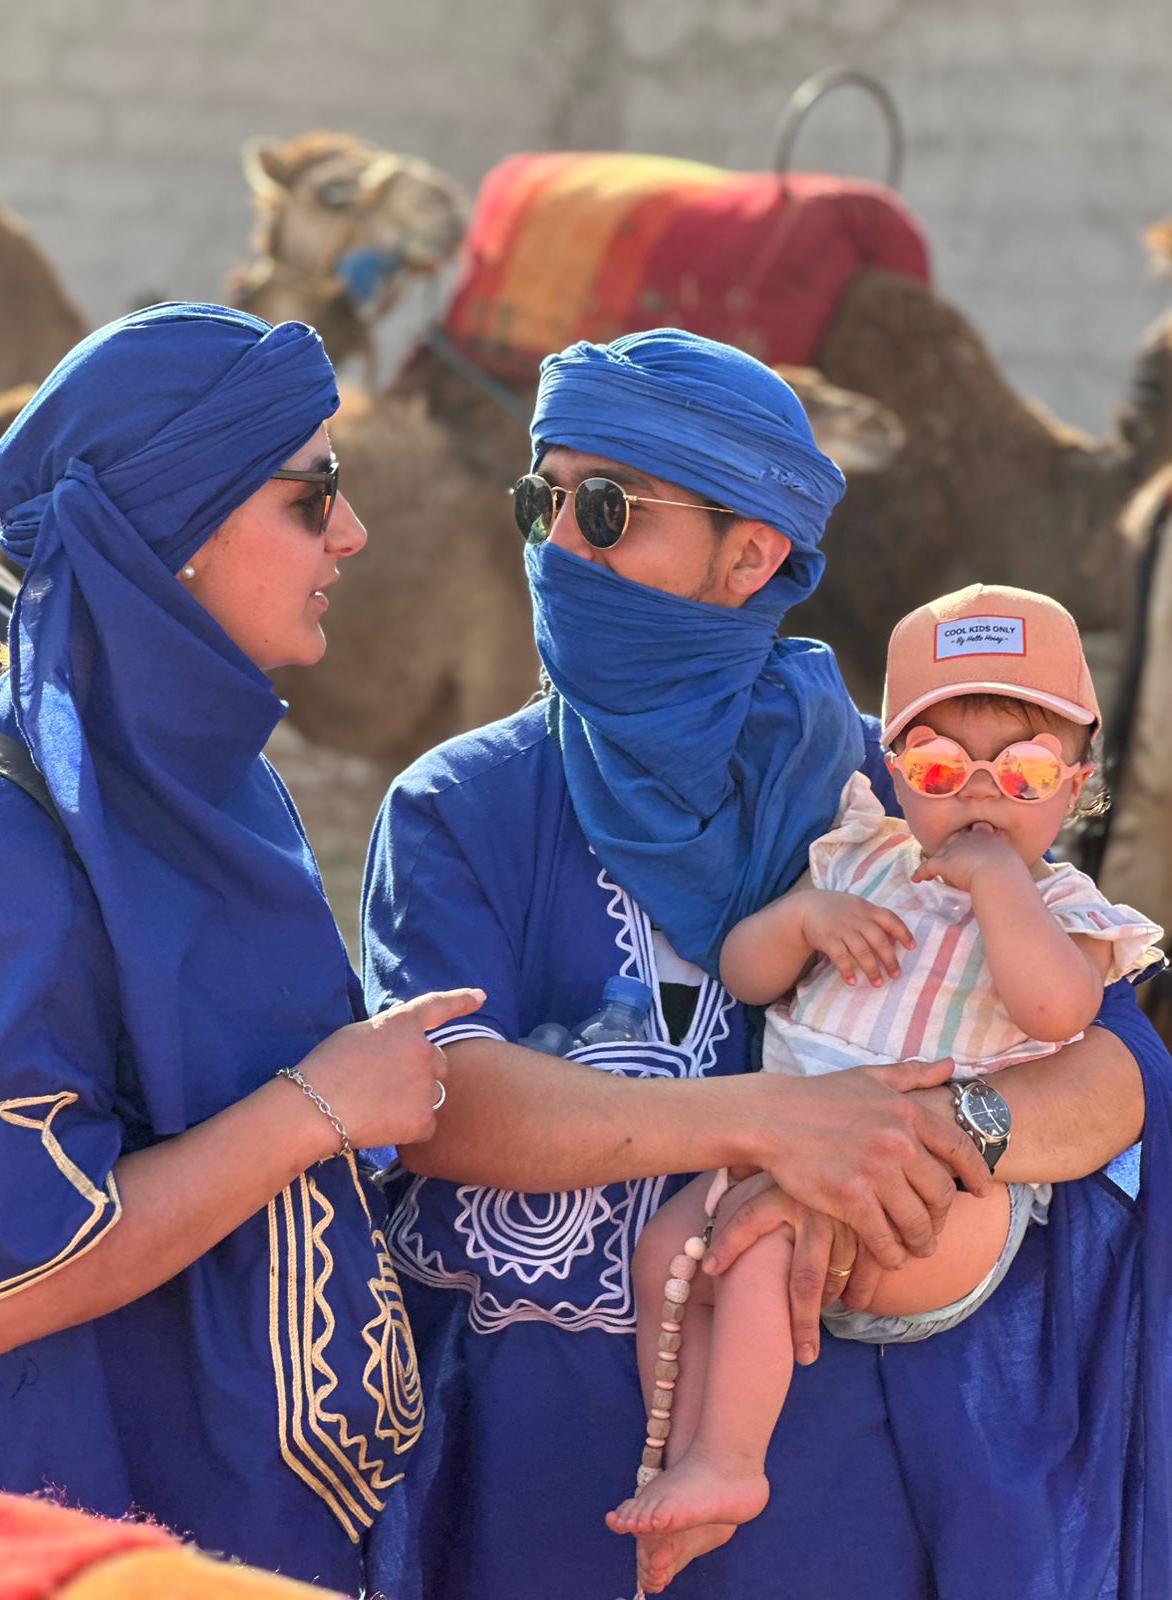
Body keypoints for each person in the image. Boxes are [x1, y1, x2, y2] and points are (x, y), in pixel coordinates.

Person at [361, 328, 1172, 1600]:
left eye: (609, 507)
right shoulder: (460, 804)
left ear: (753, 553)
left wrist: (941, 1126)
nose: (557, 545)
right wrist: (782, 1123)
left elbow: (1116, 1073)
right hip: (542, 1485)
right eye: (543, 498)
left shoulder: (899, 790)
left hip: (848, 1481)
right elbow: (442, 1099)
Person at [0, 303, 482, 1592]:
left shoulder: (216, 785)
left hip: (258, 1516)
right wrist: (323, 1105)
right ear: (179, 531)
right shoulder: (2, 835)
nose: (354, 533)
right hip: (90, 1517)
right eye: (313, 497)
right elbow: (12, 1282)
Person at [608, 583, 1164, 1591]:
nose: (983, 796)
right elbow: (746, 971)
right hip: (775, 1146)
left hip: (941, 1198)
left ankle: (732, 1463)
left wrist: (999, 889)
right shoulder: (858, 859)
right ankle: (683, 1450)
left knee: (764, 1250)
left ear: (1077, 785)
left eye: (1026, 771)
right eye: (945, 767)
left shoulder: (1062, 907)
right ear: (896, 770)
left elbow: (1058, 1013)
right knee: (664, 1250)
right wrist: (803, 922)